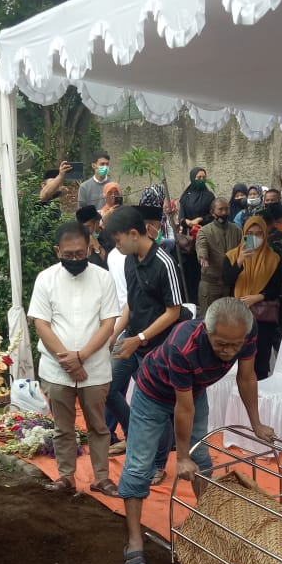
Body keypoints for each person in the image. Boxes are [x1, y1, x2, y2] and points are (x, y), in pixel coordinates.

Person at [118, 298, 275, 564]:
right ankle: (134, 542)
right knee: (139, 465)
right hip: (152, 394)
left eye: (234, 345)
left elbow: (247, 376)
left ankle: (212, 525)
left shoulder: (247, 331)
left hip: (195, 389)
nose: (228, 352)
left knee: (201, 456)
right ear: (206, 331)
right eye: (221, 344)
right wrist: (180, 457)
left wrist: (256, 424)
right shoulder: (183, 344)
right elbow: (183, 407)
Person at [28, 221, 120, 497]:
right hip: (57, 369)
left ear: (89, 247)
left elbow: (108, 323)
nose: (75, 259)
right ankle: (66, 476)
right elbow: (41, 324)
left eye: (80, 254)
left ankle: (102, 478)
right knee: (62, 427)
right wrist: (67, 360)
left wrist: (81, 356)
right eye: (68, 255)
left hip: (94, 366)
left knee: (98, 426)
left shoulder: (103, 278)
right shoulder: (46, 278)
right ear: (58, 251)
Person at [103, 206, 184, 480]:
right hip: (132, 341)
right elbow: (132, 304)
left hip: (156, 349)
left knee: (157, 407)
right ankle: (132, 435)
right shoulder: (129, 259)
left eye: (118, 240)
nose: (117, 247)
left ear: (134, 234)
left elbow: (173, 311)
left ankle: (159, 464)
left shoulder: (164, 263)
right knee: (109, 388)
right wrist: (115, 333)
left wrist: (139, 339)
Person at [222, 216, 282, 379]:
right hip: (236, 314)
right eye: (250, 233)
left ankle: (258, 394)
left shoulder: (273, 258)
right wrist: (240, 261)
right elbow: (227, 280)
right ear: (243, 235)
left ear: (264, 235)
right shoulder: (231, 256)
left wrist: (257, 297)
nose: (254, 237)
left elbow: (277, 287)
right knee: (236, 357)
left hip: (262, 316)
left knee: (260, 360)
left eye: (258, 233)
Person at [196, 197, 242, 317]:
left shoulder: (236, 230)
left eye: (226, 209)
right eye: (220, 209)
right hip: (211, 286)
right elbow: (202, 246)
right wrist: (203, 258)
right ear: (212, 212)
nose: (224, 213)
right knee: (209, 322)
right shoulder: (204, 231)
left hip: (230, 286)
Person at [177, 167, 213, 305]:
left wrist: (200, 220)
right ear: (192, 178)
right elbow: (181, 217)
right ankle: (190, 301)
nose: (201, 180)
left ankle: (203, 301)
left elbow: (212, 214)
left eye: (203, 177)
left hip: (204, 237)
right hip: (188, 242)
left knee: (203, 270)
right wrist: (187, 222)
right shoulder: (185, 197)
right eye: (198, 178)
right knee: (189, 272)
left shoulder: (209, 196)